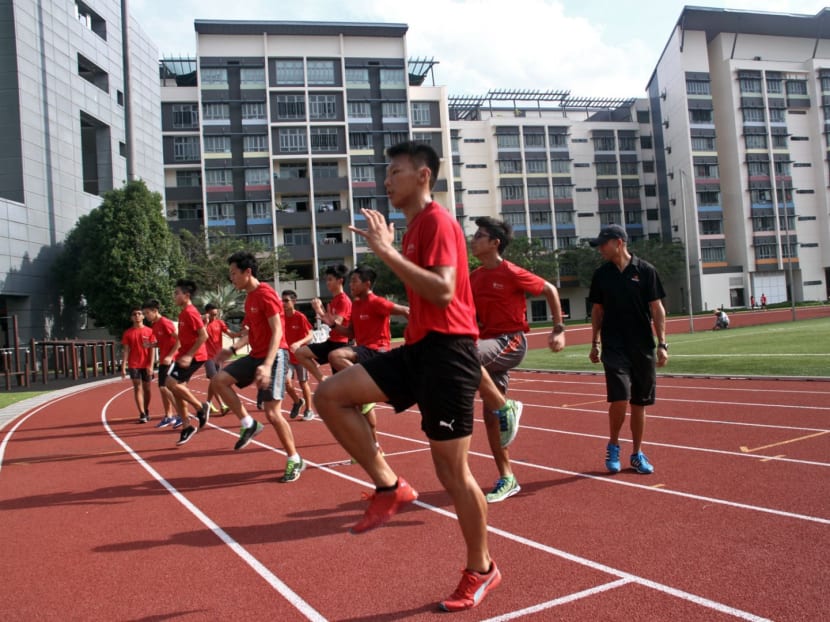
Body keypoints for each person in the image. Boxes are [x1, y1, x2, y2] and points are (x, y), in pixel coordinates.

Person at [314, 141, 500, 612]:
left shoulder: (437, 222)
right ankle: (389, 485)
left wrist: (384, 252)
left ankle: (481, 569)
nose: (385, 180)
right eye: (386, 172)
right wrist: (392, 250)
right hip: (418, 349)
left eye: (394, 171)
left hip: (449, 354)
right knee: (330, 395)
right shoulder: (416, 226)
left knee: (453, 473)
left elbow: (440, 291)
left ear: (422, 176)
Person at [469, 217, 566, 503]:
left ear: (494, 243)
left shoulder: (511, 272)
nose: (473, 240)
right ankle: (507, 477)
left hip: (509, 341)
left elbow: (550, 289)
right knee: (491, 418)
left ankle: (507, 407)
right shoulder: (474, 278)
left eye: (479, 235)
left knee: (465, 356)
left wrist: (558, 330)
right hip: (488, 347)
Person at [211, 252, 305, 483]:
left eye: (233, 273)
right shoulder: (249, 297)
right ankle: (248, 423)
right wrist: (232, 350)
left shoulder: (266, 295)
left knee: (273, 413)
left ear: (247, 272)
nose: (231, 278)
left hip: (275, 356)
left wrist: (268, 365)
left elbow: (278, 333)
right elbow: (249, 333)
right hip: (255, 355)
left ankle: (294, 458)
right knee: (219, 380)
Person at [588, 224, 668, 475]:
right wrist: (595, 342)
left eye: (603, 244)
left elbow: (657, 309)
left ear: (618, 242)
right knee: (620, 397)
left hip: (642, 345)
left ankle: (637, 453)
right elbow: (597, 311)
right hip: (614, 345)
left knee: (639, 402)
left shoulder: (646, 271)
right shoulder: (601, 275)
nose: (600, 249)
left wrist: (662, 344)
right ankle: (613, 445)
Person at [327, 265, 409, 452]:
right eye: (351, 281)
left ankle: (361, 383)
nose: (351, 285)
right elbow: (350, 332)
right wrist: (333, 324)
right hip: (362, 351)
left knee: (335, 355)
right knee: (360, 406)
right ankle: (374, 445)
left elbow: (405, 310)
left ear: (367, 284)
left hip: (377, 352)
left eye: (355, 281)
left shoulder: (376, 302)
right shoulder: (356, 304)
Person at [167, 279, 211, 446]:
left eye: (177, 293)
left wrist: (189, 355)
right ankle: (186, 426)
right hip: (185, 355)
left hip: (194, 356)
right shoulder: (184, 313)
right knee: (178, 389)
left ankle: (201, 407)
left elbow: (203, 336)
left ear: (186, 295)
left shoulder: (190, 312)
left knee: (171, 383)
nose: (174, 296)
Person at [293, 264, 352, 384]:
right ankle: (321, 378)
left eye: (330, 279)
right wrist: (320, 312)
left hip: (341, 345)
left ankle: (365, 395)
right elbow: (329, 320)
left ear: (340, 281)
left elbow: (336, 323)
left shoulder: (343, 300)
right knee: (300, 353)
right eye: (326, 280)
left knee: (342, 384)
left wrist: (318, 309)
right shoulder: (335, 300)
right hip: (331, 342)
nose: (327, 283)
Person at [141, 299, 181, 429]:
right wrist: (152, 345)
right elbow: (163, 342)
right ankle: (169, 416)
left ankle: (181, 414)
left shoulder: (165, 322)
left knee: (164, 387)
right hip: (164, 359)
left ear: (155, 311)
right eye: (144, 313)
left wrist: (170, 356)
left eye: (147, 313)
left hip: (170, 359)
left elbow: (178, 340)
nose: (145, 316)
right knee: (163, 388)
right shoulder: (155, 325)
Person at [282, 289, 315, 421]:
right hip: (287, 356)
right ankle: (297, 401)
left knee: (303, 383)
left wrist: (298, 343)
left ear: (294, 301)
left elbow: (310, 335)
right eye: (282, 300)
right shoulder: (280, 318)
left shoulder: (300, 317)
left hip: (300, 356)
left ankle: (309, 409)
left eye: (286, 300)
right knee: (286, 382)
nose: (283, 303)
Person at [203, 303, 241, 415]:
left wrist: (243, 332)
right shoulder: (202, 324)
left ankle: (208, 403)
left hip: (218, 357)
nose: (214, 317)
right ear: (207, 313)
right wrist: (205, 323)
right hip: (208, 356)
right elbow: (202, 335)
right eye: (212, 314)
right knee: (215, 380)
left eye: (216, 314)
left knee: (214, 381)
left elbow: (232, 335)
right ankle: (222, 405)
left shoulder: (220, 323)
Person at [120, 307, 156, 423]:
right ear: (131, 318)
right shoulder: (128, 333)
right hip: (134, 364)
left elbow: (152, 350)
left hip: (146, 364)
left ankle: (146, 409)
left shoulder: (150, 331)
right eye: (134, 314)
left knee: (147, 389)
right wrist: (123, 366)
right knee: (137, 387)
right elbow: (125, 350)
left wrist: (151, 365)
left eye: (139, 314)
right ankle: (142, 413)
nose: (137, 316)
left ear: (143, 316)